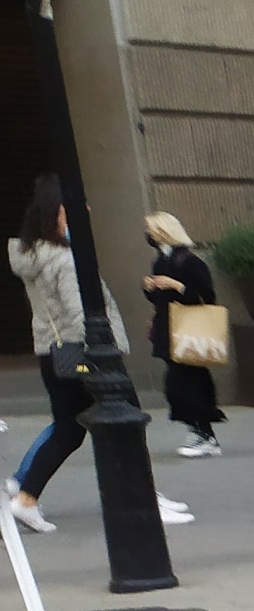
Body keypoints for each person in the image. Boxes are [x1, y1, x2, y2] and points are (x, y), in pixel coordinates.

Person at [7, 179, 189, 534]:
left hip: (53, 354)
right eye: (76, 207)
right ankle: (143, 498)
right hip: (88, 355)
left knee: (68, 430)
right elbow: (81, 314)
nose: (86, 211)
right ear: (57, 214)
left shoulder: (35, 255)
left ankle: (25, 498)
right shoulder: (65, 259)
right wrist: (104, 356)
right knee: (126, 424)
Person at [142, 211, 224, 457]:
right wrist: (151, 289)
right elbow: (160, 298)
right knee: (179, 383)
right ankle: (198, 430)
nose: (148, 234)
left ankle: (205, 434)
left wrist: (175, 285)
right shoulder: (161, 261)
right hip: (168, 328)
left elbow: (205, 296)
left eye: (151, 229)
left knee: (187, 382)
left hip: (188, 329)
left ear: (164, 231)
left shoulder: (188, 261)